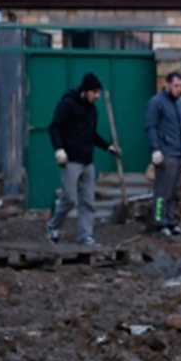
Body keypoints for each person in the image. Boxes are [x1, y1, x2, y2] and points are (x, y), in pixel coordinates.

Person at [45, 72, 121, 246]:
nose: (97, 96)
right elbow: (54, 128)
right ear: (85, 91)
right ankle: (52, 226)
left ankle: (85, 236)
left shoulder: (92, 110)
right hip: (70, 160)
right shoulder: (67, 105)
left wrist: (108, 147)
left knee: (88, 201)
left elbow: (92, 135)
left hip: (87, 160)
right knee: (70, 199)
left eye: (98, 92)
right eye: (95, 92)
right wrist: (59, 149)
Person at [145, 71, 181, 238]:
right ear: (167, 84)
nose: (179, 89)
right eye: (176, 86)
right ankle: (159, 223)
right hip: (165, 153)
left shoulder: (178, 103)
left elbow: (180, 127)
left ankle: (171, 221)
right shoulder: (156, 103)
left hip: (177, 153)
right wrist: (155, 149)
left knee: (175, 191)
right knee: (162, 192)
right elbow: (151, 127)